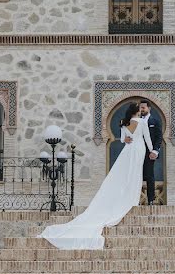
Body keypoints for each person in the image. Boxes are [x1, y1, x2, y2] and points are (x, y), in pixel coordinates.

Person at [38, 102, 153, 250]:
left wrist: (127, 139)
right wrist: (152, 152)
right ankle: (130, 199)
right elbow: (148, 139)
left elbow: (124, 139)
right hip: (139, 149)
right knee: (134, 174)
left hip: (127, 150)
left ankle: (123, 197)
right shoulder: (142, 122)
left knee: (123, 175)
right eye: (140, 108)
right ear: (137, 111)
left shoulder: (123, 123)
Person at [138, 99, 163, 204]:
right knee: (136, 175)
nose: (141, 109)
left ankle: (151, 200)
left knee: (149, 175)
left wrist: (155, 151)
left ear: (149, 108)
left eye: (143, 107)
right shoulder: (136, 120)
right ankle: (135, 199)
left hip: (149, 153)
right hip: (137, 152)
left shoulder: (155, 121)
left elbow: (159, 137)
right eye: (140, 108)